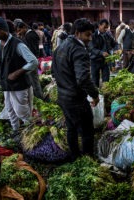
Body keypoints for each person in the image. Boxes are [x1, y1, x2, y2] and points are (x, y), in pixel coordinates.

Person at [52, 18, 99, 160]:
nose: (90, 39)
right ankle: (87, 159)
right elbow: (83, 78)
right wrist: (95, 95)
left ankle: (74, 156)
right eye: (87, 35)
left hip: (63, 97)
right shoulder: (79, 51)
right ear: (78, 33)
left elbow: (54, 72)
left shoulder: (61, 47)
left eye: (91, 35)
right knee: (87, 131)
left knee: (71, 128)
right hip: (75, 99)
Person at [0, 17, 38, 135]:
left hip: (19, 85)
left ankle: (29, 132)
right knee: (10, 110)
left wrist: (18, 72)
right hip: (6, 85)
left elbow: (33, 61)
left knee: (22, 112)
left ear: (5, 30)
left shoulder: (18, 44)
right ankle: (16, 131)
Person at [16, 21, 43, 99]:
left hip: (32, 61)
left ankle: (39, 97)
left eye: (20, 30)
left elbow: (31, 50)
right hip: (31, 61)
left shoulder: (30, 36)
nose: (19, 32)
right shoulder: (29, 35)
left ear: (24, 27)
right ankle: (37, 96)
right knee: (33, 80)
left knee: (34, 81)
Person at [89, 19, 117, 87]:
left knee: (106, 80)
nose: (106, 29)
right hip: (95, 60)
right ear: (99, 25)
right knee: (95, 80)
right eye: (104, 27)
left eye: (107, 27)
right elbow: (91, 48)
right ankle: (95, 96)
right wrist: (101, 53)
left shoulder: (107, 35)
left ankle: (105, 94)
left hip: (105, 61)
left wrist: (117, 49)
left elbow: (115, 44)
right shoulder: (93, 35)